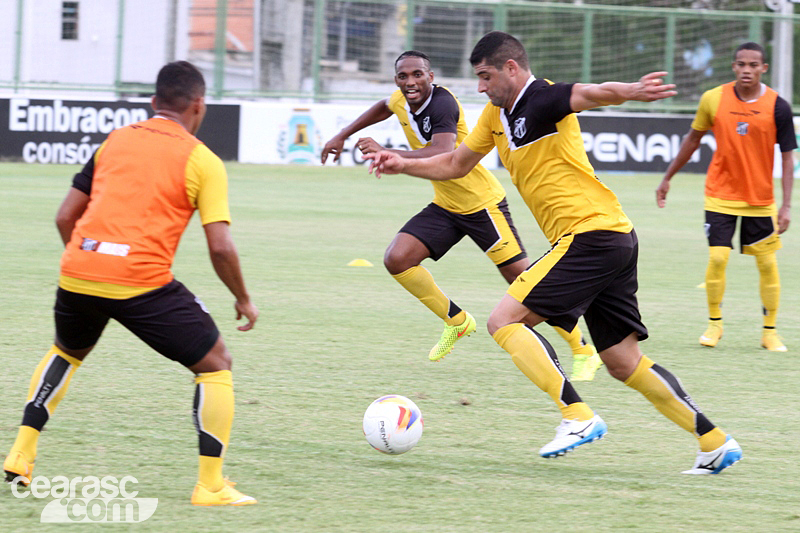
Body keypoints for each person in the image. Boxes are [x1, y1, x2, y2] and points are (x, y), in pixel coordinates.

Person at [366, 31, 742, 474]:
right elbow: (454, 164)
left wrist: (632, 90)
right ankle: (714, 442)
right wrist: (403, 163)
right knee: (623, 362)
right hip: (612, 237)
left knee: (503, 321)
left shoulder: (542, 98)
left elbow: (591, 93)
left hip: (591, 236)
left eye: (486, 76)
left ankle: (577, 415)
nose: (481, 87)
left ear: (511, 68)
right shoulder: (494, 115)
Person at [3, 61, 259, 505]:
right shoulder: (202, 159)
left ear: (154, 102)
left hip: (78, 270)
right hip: (141, 281)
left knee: (67, 351)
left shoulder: (115, 140)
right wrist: (243, 298)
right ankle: (211, 486)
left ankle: (20, 455)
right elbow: (220, 247)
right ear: (199, 106)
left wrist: (89, 263)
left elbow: (65, 216)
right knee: (216, 363)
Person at [321, 50, 602, 381]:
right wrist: (342, 135)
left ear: (431, 76)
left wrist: (388, 152)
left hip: (483, 205)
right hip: (446, 204)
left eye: (417, 75)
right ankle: (456, 320)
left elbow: (443, 151)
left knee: (524, 282)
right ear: (396, 79)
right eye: (403, 76)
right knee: (398, 259)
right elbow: (384, 106)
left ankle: (583, 349)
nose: (410, 82)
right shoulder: (400, 99)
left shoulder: (443, 104)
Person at [656, 42, 795, 352]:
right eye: (741, 64)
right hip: (720, 194)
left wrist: (786, 205)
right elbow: (693, 140)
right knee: (718, 258)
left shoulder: (778, 106)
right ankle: (715, 325)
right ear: (734, 67)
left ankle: (770, 332)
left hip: (760, 200)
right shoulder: (713, 99)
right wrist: (667, 177)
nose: (747, 70)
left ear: (763, 69)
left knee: (767, 265)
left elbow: (788, 157)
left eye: (753, 65)